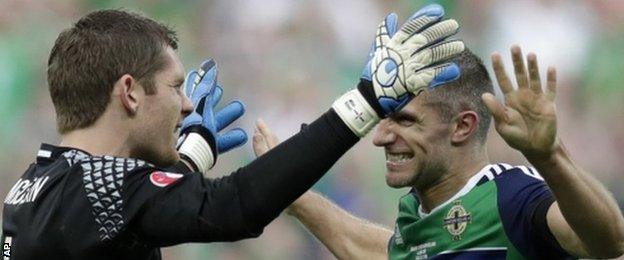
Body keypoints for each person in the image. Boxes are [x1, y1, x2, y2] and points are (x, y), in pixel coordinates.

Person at [1, 5, 465, 260]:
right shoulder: (102, 191)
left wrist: (189, 159)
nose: (186, 105)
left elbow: (135, 208)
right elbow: (231, 207)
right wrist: (363, 103)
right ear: (130, 93)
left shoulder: (34, 185)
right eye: (175, 86)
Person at [252, 13, 624, 260]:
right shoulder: (417, 214)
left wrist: (550, 156)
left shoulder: (513, 197)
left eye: (405, 120)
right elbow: (380, 252)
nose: (381, 136)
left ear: (462, 126)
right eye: (383, 119)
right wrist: (291, 190)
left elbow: (609, 243)